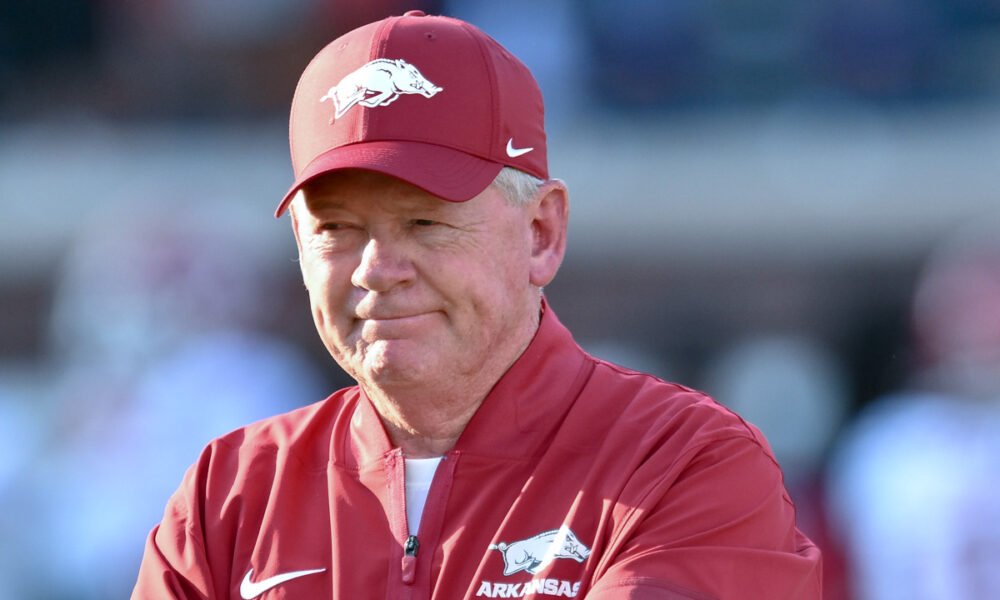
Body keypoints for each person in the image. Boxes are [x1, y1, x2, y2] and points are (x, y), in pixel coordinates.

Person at [133, 11, 821, 599]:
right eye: (336, 229)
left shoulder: (683, 462)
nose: (376, 269)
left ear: (542, 233)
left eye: (424, 222)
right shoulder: (226, 495)